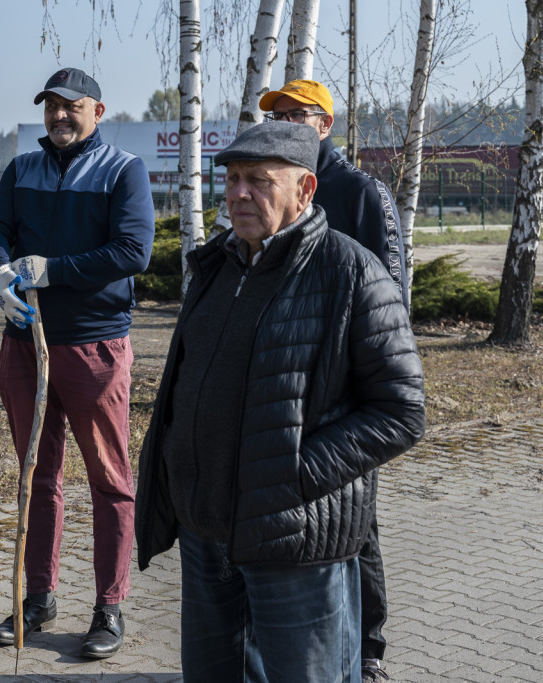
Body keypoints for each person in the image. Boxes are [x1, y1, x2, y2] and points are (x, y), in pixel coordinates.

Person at [134, 121, 426, 682]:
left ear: (305, 189)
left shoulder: (350, 272)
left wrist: (292, 476)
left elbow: (401, 410)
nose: (239, 193)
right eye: (232, 179)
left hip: (294, 540)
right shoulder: (216, 265)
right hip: (205, 532)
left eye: (259, 181)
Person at [0, 67, 155, 659]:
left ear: (97, 112)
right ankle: (38, 598)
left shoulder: (123, 170)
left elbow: (133, 250)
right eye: (51, 105)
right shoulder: (22, 168)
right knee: (36, 475)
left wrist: (55, 271)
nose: (59, 115)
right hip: (24, 343)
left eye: (71, 106)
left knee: (109, 479)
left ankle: (109, 606)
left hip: (93, 346)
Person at [259, 78, 406, 682]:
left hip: (346, 388)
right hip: (287, 384)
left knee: (354, 519)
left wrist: (367, 379)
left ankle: (368, 648)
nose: (286, 125)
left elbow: (391, 298)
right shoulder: (276, 188)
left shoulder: (360, 191)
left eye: (297, 116)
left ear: (325, 124)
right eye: (278, 116)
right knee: (300, 518)